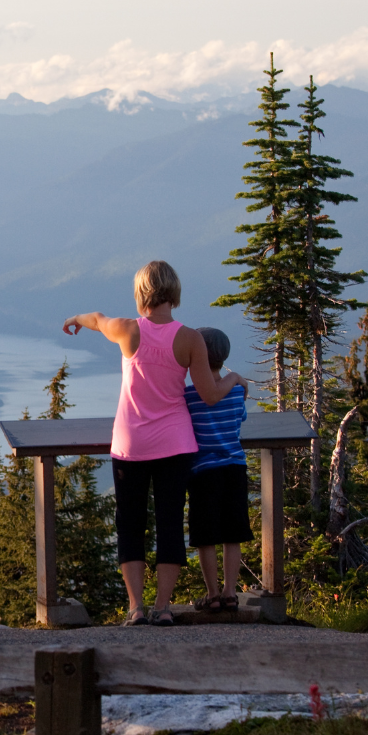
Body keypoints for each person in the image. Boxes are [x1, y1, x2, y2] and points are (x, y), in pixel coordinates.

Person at [63, 261, 246, 626]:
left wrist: (75, 319)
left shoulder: (127, 331)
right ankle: (163, 607)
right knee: (168, 524)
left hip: (130, 443)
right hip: (176, 444)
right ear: (173, 292)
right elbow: (209, 395)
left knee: (129, 524)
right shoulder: (190, 338)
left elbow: (97, 318)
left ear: (141, 293)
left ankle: (135, 607)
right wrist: (235, 380)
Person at [184, 327, 254, 611]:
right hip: (235, 468)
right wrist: (235, 378)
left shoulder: (188, 397)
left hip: (203, 472)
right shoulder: (237, 393)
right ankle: (230, 592)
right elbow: (241, 418)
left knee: (206, 536)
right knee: (232, 534)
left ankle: (212, 595)